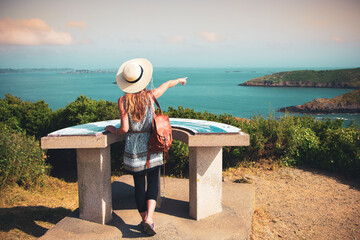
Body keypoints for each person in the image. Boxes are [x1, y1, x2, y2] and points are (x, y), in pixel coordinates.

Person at [105, 58, 186, 236]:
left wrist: (114, 130)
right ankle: (150, 218)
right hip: (153, 146)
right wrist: (179, 80)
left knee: (139, 185)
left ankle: (144, 220)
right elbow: (166, 85)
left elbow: (125, 129)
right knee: (154, 184)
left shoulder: (123, 100)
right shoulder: (150, 96)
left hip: (134, 150)